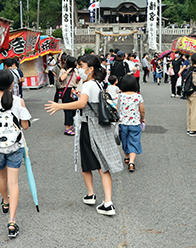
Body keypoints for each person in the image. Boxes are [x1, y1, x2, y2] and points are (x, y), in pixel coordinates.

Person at [45, 55, 123, 216]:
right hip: (101, 127)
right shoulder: (98, 83)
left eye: (81, 65)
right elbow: (87, 100)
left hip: (89, 127)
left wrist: (59, 106)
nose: (79, 68)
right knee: (103, 166)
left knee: (86, 163)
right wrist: (80, 94)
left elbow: (82, 104)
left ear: (91, 68)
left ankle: (91, 194)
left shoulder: (88, 84)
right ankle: (107, 202)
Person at [0, 69, 31, 238]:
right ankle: (12, 222)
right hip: (15, 145)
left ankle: (5, 202)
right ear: (12, 84)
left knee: (2, 177)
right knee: (13, 182)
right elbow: (25, 126)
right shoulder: (18, 101)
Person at [118, 75, 145, 172]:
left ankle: (126, 157)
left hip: (123, 123)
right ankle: (131, 162)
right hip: (135, 123)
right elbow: (142, 110)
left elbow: (116, 109)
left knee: (124, 140)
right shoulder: (138, 96)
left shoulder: (120, 96)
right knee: (134, 141)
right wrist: (142, 119)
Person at [59, 56, 79, 136]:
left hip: (73, 90)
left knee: (74, 108)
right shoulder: (63, 70)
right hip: (66, 90)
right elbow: (61, 79)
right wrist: (68, 72)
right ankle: (67, 128)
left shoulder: (75, 71)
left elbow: (76, 81)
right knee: (68, 109)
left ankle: (71, 125)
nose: (76, 64)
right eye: (75, 62)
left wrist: (78, 78)